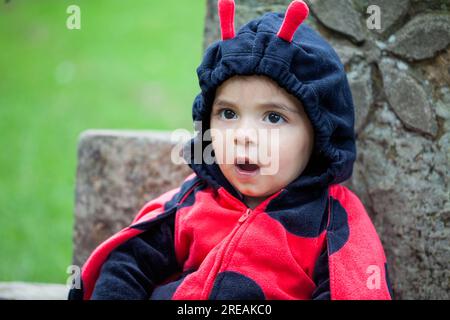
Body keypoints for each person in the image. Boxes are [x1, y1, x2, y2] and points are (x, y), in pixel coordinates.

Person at [69, 0, 393, 300]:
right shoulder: (193, 201)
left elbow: (350, 290)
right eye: (228, 113)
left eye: (274, 117)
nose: (244, 135)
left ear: (320, 134)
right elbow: (127, 264)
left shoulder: (330, 222)